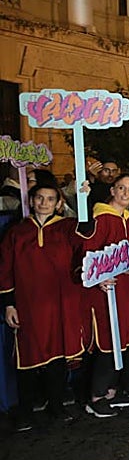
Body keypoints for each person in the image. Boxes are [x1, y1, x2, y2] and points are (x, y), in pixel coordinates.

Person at [0, 184, 85, 429]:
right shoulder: (16, 232)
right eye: (39, 198)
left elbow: (86, 240)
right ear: (32, 200)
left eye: (50, 199)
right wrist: (9, 305)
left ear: (58, 203)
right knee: (28, 358)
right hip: (29, 305)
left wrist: (81, 196)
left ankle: (56, 406)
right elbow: (5, 270)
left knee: (57, 356)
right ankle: (25, 411)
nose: (44, 203)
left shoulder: (67, 227)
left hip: (60, 303)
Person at [76, 173, 129, 417]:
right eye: (121, 188)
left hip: (124, 288)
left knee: (122, 341)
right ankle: (96, 396)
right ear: (112, 191)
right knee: (107, 341)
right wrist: (98, 277)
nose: (126, 193)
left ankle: (110, 392)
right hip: (103, 291)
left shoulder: (127, 219)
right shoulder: (101, 217)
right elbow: (87, 252)